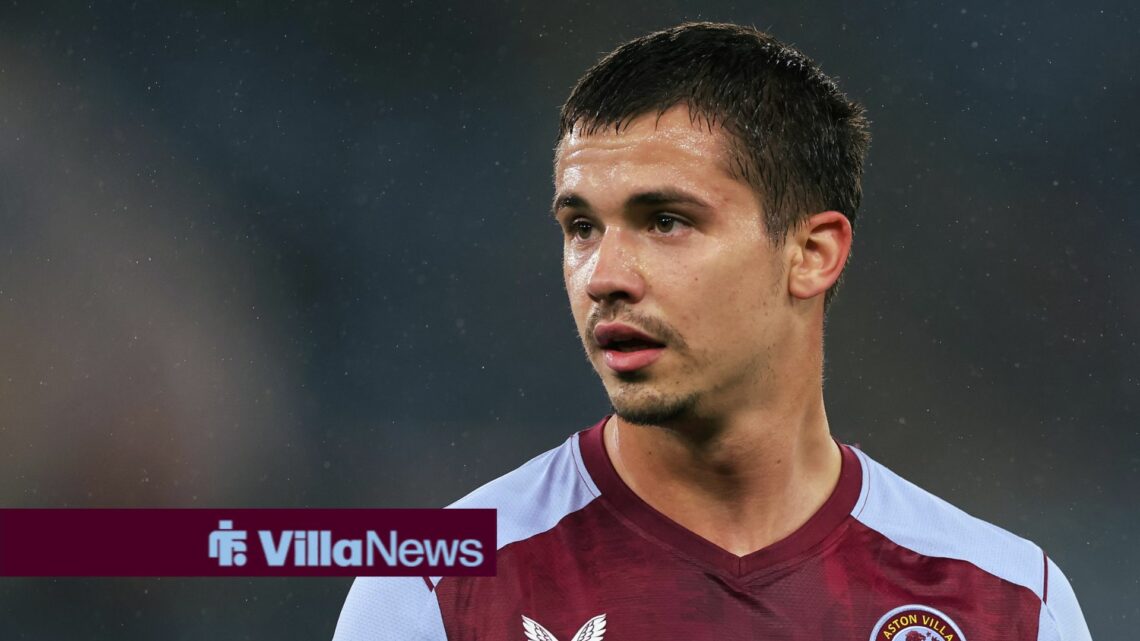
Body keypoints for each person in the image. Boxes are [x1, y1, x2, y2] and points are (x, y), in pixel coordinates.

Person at [333, 22, 1091, 641]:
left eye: (666, 221)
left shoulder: (1008, 602)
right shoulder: (432, 587)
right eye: (582, 227)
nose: (604, 275)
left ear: (811, 254)